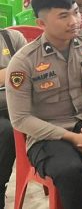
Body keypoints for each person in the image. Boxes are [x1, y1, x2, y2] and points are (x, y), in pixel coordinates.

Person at [6, 0, 82, 209]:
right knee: (69, 170)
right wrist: (71, 138)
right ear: (41, 23)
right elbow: (21, 119)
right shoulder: (24, 61)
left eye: (75, 12)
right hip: (46, 136)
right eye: (63, 16)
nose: (74, 21)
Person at [0, 25, 27, 208]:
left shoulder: (12, 37)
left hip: (18, 106)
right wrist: (13, 69)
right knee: (6, 132)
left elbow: (32, 67)